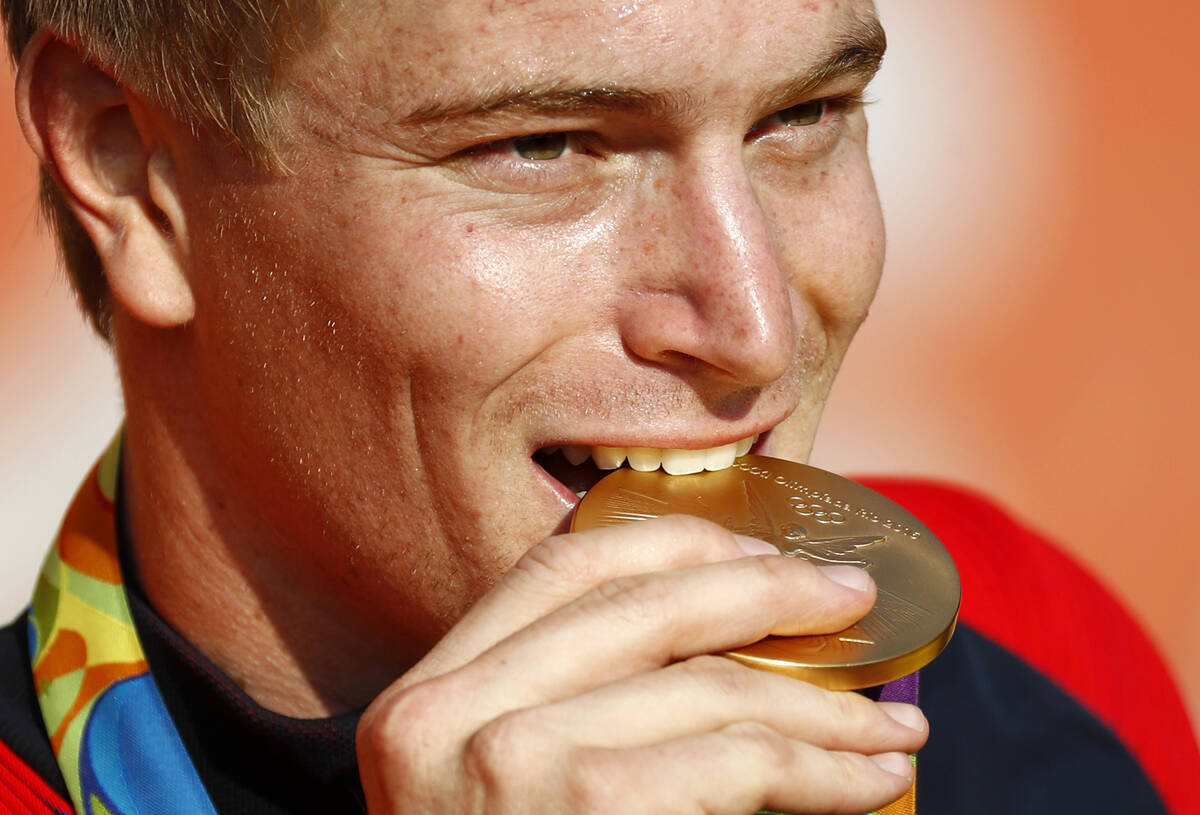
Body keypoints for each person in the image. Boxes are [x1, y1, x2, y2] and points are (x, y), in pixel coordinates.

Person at [0, 0, 1194, 813]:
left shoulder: (1042, 635)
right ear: (130, 170)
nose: (756, 322)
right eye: (549, 144)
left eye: (805, 118)